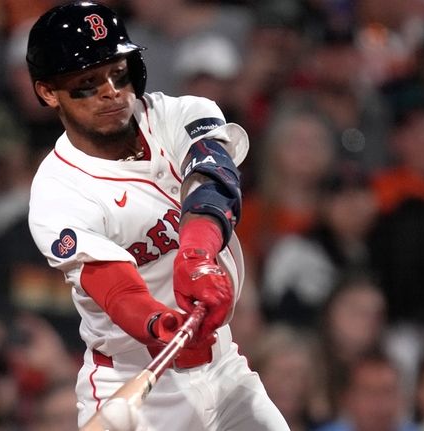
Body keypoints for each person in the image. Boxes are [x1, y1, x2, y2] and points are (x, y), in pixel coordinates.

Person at [25, 2, 288, 430]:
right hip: (135, 379)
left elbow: (213, 180)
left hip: (225, 367)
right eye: (87, 83)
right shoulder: (57, 192)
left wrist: (197, 254)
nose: (111, 91)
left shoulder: (178, 113)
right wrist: (157, 322)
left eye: (118, 72)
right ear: (48, 92)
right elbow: (109, 284)